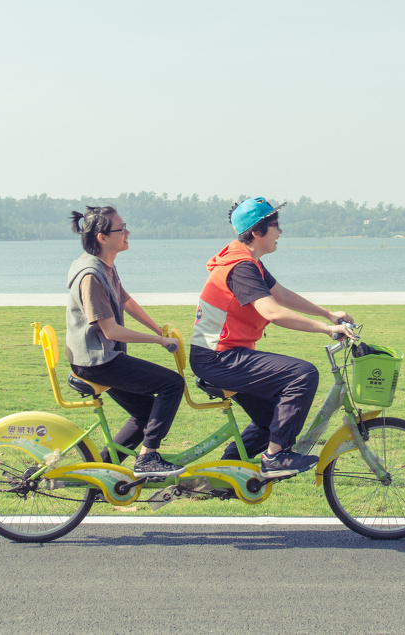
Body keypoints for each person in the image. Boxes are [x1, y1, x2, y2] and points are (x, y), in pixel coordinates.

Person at [189, 197, 353, 478]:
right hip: (218, 358)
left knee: (271, 421)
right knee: (302, 374)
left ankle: (225, 474)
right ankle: (276, 457)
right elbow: (273, 311)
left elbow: (282, 295)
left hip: (221, 355)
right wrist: (326, 329)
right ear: (257, 231)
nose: (280, 231)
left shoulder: (249, 262)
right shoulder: (241, 267)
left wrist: (328, 314)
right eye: (276, 225)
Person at [65, 205, 186, 478]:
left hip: (103, 358)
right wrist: (158, 340)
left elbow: (125, 299)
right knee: (172, 384)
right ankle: (148, 458)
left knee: (146, 413)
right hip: (96, 362)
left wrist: (158, 329)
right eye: (121, 229)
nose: (127, 233)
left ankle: (100, 473)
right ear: (102, 238)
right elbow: (111, 331)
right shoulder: (91, 276)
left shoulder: (105, 266)